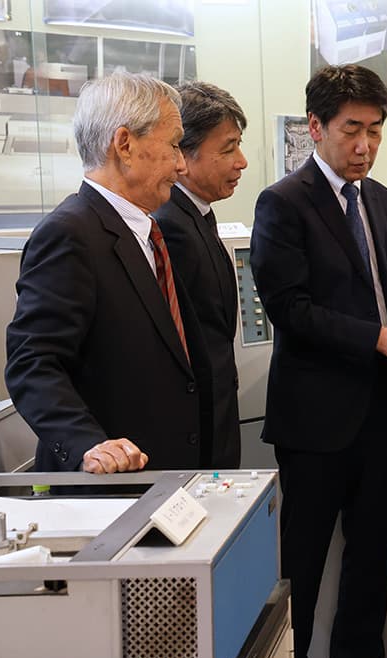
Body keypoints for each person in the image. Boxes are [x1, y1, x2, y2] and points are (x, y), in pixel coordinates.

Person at [250, 64, 387, 658]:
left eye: (376, 130)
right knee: (301, 565)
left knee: (370, 562)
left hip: (380, 417)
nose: (365, 146)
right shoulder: (283, 203)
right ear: (316, 127)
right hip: (314, 423)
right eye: (351, 130)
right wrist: (376, 339)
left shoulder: (381, 201)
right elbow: (290, 309)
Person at [5, 72, 213, 474]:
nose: (181, 164)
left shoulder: (145, 231)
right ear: (125, 144)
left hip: (163, 474)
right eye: (173, 146)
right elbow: (33, 362)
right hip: (110, 485)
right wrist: (88, 445)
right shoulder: (69, 233)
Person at [153, 81, 248, 469]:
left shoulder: (199, 214)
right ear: (184, 154)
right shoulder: (169, 225)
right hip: (199, 432)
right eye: (228, 149)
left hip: (219, 416)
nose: (241, 161)